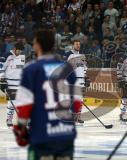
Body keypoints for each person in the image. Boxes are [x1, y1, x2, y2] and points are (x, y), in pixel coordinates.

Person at [12, 29, 82, 160]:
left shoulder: (31, 70)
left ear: (37, 45)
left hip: (42, 137)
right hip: (65, 137)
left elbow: (24, 107)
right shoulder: (67, 68)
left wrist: (21, 130)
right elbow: (77, 102)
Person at [65, 39, 90, 124]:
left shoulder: (82, 56)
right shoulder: (68, 54)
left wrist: (86, 78)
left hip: (81, 80)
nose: (78, 46)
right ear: (73, 45)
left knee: (80, 99)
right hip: (73, 80)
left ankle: (77, 117)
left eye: (79, 44)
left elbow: (84, 68)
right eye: (76, 44)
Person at [1, 43, 25, 127]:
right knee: (14, 102)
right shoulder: (7, 55)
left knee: (12, 103)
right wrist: (2, 81)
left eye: (21, 50)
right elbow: (1, 68)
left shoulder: (22, 57)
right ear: (14, 48)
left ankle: (9, 119)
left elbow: (21, 70)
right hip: (10, 83)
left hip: (19, 83)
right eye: (19, 50)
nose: (20, 52)